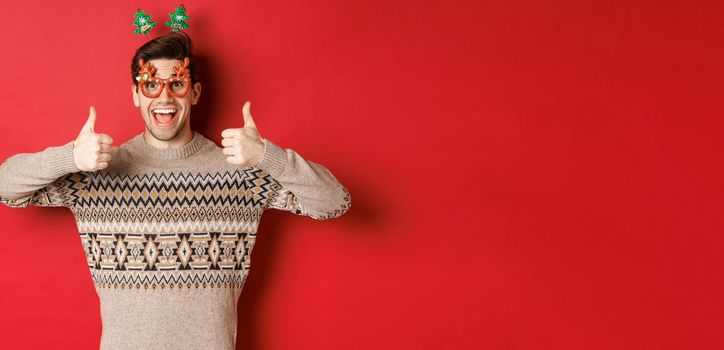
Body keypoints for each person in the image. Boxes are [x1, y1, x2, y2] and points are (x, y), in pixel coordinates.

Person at [0, 31, 351, 349]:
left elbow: (335, 202)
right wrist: (69, 157)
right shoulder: (96, 174)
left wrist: (267, 156)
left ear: (194, 92)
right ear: (136, 94)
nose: (164, 96)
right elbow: (5, 186)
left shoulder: (242, 174)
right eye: (150, 85)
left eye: (177, 84)